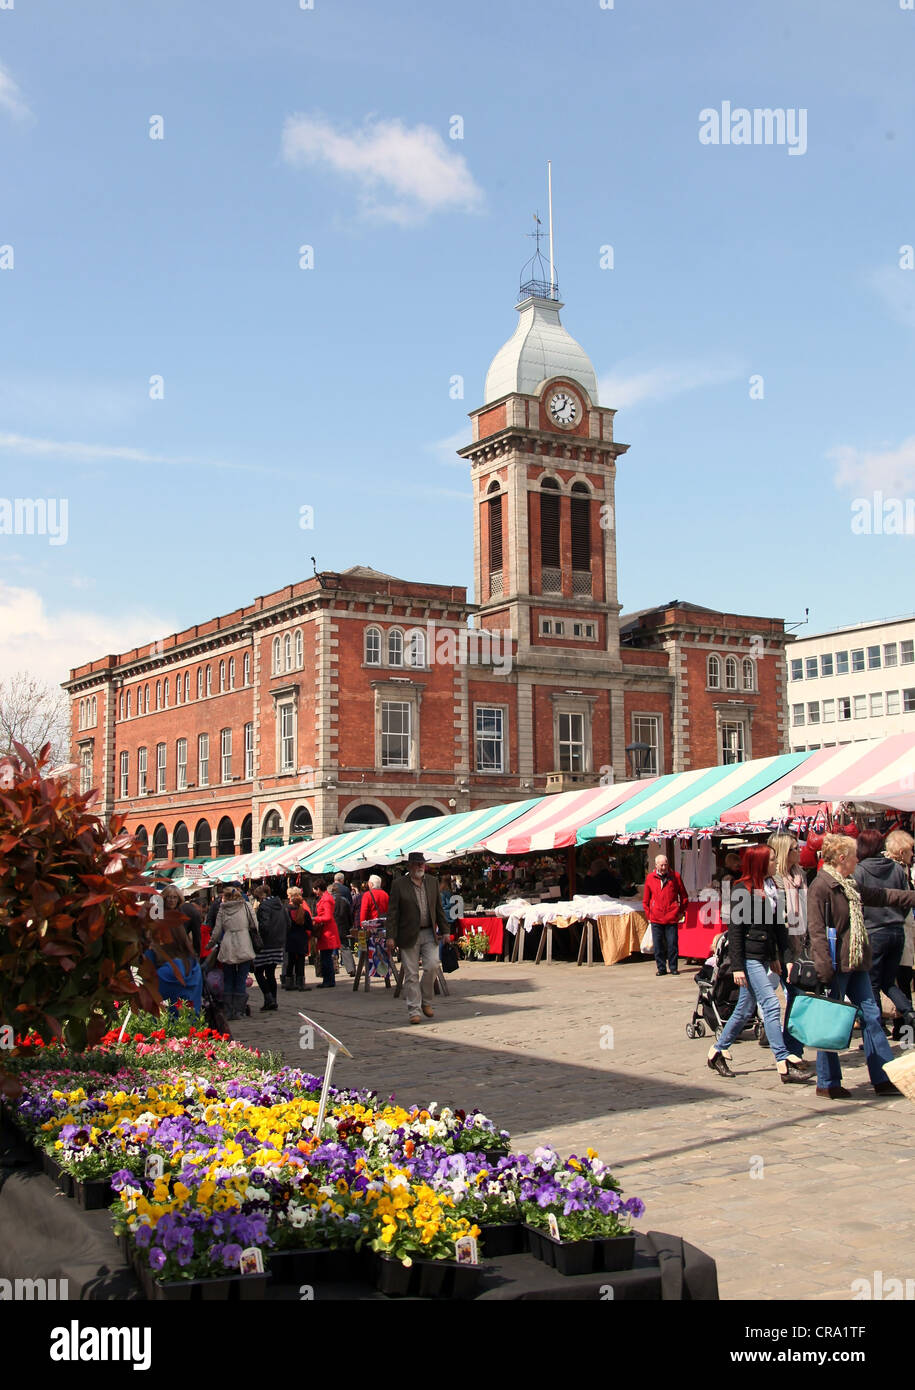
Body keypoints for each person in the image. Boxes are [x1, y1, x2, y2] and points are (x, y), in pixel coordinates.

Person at [808, 833, 915, 1099]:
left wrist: (911, 897)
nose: (859, 859)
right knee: (831, 1023)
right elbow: (817, 931)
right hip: (835, 965)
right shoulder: (821, 886)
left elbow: (882, 896)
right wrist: (823, 970)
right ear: (843, 859)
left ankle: (883, 1077)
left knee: (872, 1017)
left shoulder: (850, 884)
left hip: (857, 961)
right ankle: (828, 1081)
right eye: (854, 856)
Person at [706, 845, 810, 1083]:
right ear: (760, 863)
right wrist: (738, 967)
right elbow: (735, 932)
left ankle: (717, 1051)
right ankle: (783, 1061)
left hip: (764, 955)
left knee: (744, 1009)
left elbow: (777, 928)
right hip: (749, 957)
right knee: (771, 1004)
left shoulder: (773, 887)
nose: (775, 863)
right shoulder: (742, 890)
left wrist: (781, 957)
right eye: (772, 860)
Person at [853, 828, 915, 1034]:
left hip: (874, 932)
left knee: (872, 982)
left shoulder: (859, 870)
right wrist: (896, 915)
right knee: (889, 981)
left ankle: (876, 1028)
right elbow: (906, 899)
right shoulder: (896, 869)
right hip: (897, 930)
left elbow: (857, 904)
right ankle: (908, 1010)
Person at [385, 852, 451, 1024]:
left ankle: (426, 1001)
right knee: (411, 973)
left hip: (429, 932)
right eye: (416, 864)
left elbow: (438, 909)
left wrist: (445, 931)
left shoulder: (432, 882)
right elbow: (392, 913)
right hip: (408, 934)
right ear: (409, 866)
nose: (420, 866)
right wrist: (390, 936)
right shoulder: (399, 885)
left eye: (422, 863)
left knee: (433, 965)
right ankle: (414, 1010)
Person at [766, 833, 808, 1056]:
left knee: (797, 996)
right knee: (795, 995)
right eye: (794, 848)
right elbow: (775, 919)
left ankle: (791, 1048)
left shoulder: (799, 875)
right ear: (784, 852)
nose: (799, 850)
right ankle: (790, 1051)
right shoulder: (776, 881)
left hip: (800, 943)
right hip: (782, 947)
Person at [206, 885, 258, 1020]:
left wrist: (210, 945)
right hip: (244, 943)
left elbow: (217, 931)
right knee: (241, 978)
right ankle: (239, 1011)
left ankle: (229, 1011)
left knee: (228, 979)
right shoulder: (246, 906)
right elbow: (255, 925)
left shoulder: (222, 909)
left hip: (228, 944)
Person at [145, 913, 202, 1017]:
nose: (151, 946)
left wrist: (148, 955)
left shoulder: (165, 974)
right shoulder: (193, 965)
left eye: (153, 941)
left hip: (165, 1030)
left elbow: (145, 996)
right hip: (192, 1026)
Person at [642, 854, 688, 977]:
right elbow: (645, 900)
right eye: (661, 865)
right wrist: (649, 915)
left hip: (671, 916)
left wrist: (680, 911)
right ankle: (661, 968)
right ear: (656, 865)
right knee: (658, 945)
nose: (664, 867)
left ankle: (673, 967)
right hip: (656, 917)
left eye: (666, 864)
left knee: (672, 943)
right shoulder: (650, 878)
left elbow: (684, 896)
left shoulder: (675, 876)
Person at [251, 885, 290, 1012]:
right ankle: (273, 1000)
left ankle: (269, 999)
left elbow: (264, 926)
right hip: (278, 943)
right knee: (270, 973)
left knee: (258, 971)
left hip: (266, 944)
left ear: (262, 896)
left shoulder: (264, 907)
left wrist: (259, 938)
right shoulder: (281, 905)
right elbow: (288, 923)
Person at [313, 880, 340, 987]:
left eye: (315, 890)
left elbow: (328, 917)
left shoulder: (326, 899)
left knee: (326, 957)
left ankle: (329, 981)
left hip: (328, 931)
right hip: (326, 930)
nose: (315, 892)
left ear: (318, 889)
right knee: (326, 957)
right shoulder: (325, 898)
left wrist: (315, 918)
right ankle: (328, 980)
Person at [161, 885, 202, 957]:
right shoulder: (158, 914)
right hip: (162, 952)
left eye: (175, 897)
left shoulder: (183, 915)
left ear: (178, 899)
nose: (172, 900)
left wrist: (195, 955)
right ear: (164, 898)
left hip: (180, 953)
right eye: (169, 897)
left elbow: (195, 938)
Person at [285, 887, 313, 992]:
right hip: (301, 938)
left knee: (290, 961)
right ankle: (300, 984)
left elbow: (285, 925)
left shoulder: (286, 910)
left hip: (290, 938)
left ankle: (288, 983)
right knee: (300, 961)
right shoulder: (304, 912)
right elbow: (309, 927)